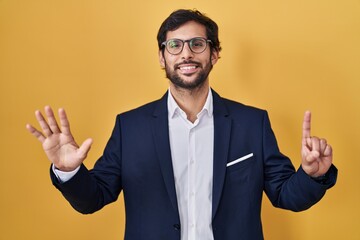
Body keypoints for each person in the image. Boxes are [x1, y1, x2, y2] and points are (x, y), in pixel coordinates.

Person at [26, 9, 337, 240]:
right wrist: (69, 171)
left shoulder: (251, 123)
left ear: (215, 53)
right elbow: (93, 198)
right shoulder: (130, 127)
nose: (186, 53)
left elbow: (285, 194)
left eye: (197, 44)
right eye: (174, 45)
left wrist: (313, 174)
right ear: (162, 57)